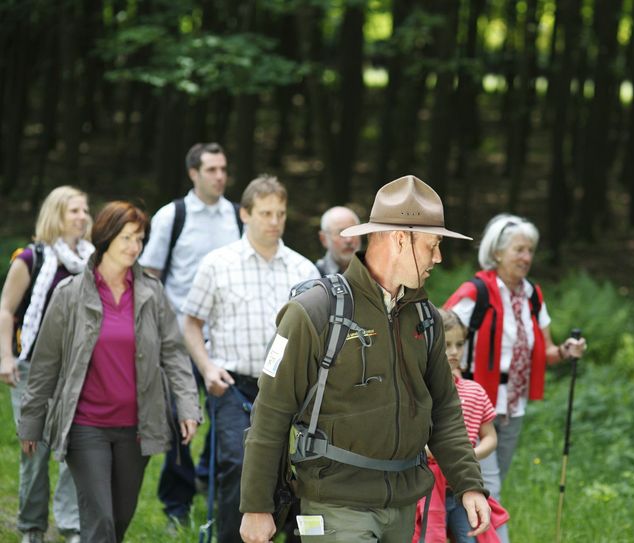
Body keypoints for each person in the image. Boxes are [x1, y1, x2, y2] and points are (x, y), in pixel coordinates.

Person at [240, 175, 491, 543]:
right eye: (433, 246)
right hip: (336, 502)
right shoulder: (315, 311)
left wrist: (469, 485)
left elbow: (445, 412)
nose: (438, 257)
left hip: (404, 505)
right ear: (400, 238)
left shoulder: (426, 319)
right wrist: (257, 505)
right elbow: (271, 412)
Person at [17, 201, 200, 543]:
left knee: (119, 519)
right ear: (105, 238)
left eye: (140, 239)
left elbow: (174, 353)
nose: (135, 247)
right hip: (86, 426)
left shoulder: (151, 293)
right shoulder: (69, 294)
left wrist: (188, 406)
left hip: (137, 427)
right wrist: (31, 421)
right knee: (99, 519)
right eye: (127, 238)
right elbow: (45, 364)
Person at [182, 175, 319, 543]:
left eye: (281, 213)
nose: (274, 221)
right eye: (265, 213)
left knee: (296, 470)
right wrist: (207, 367)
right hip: (235, 387)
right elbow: (191, 322)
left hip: (293, 390)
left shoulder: (304, 270)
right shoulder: (217, 264)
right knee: (240, 466)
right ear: (245, 213)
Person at [443, 213, 587, 542]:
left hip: (513, 407)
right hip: (474, 407)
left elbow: (547, 351)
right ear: (497, 252)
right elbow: (441, 333)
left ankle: (453, 530)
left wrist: (566, 351)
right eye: (519, 249)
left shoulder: (533, 295)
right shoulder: (475, 292)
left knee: (483, 485)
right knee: (487, 488)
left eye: (530, 250)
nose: (526, 257)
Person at [139, 142, 243, 528]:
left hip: (226, 342)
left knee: (228, 421)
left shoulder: (236, 215)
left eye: (223, 169)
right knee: (180, 422)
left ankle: (210, 482)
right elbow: (149, 274)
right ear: (193, 173)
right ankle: (175, 505)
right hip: (180, 340)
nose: (220, 176)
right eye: (212, 169)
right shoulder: (173, 215)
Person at [0, 186, 92, 543]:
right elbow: (6, 310)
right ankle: (32, 528)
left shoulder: (93, 261)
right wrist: (6, 357)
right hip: (32, 370)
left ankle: (71, 527)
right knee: (33, 451)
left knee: (74, 449)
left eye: (85, 210)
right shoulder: (30, 258)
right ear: (56, 214)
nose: (82, 217)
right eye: (74, 211)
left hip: (76, 371)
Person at [413, 309, 503, 543]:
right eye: (447, 344)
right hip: (426, 489)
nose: (454, 351)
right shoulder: (420, 391)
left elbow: (490, 437)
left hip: (462, 489)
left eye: (460, 344)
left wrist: (466, 456)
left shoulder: (474, 391)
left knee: (470, 537)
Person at [315, 206, 362, 275]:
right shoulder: (314, 275)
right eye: (341, 233)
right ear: (323, 239)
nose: (349, 240)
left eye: (353, 231)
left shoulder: (375, 272)